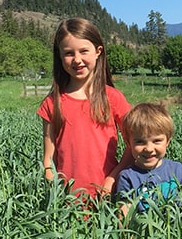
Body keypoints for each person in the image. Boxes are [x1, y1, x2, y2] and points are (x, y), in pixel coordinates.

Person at [37, 17, 133, 201]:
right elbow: (48, 159)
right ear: (59, 56)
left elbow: (134, 144)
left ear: (98, 52)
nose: (77, 60)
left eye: (83, 51)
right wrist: (54, 192)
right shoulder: (52, 103)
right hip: (67, 202)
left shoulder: (113, 98)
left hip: (107, 198)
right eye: (68, 53)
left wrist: (112, 180)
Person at [116, 103, 182, 225]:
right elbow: (125, 215)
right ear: (128, 142)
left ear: (168, 141)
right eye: (140, 142)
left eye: (157, 141)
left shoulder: (178, 170)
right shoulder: (127, 177)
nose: (149, 148)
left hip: (177, 236)